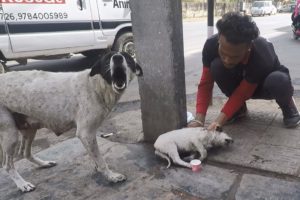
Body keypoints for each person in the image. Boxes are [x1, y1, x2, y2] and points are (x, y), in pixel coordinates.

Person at [188, 12, 300, 131]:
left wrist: (218, 121)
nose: (227, 60)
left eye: (234, 56)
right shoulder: (211, 44)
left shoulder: (261, 52)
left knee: (278, 80)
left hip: (265, 85)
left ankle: (287, 104)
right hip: (241, 79)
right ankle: (238, 109)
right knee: (216, 66)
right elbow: (206, 83)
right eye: (223, 53)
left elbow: (243, 92)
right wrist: (199, 120)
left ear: (248, 47)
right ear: (219, 39)